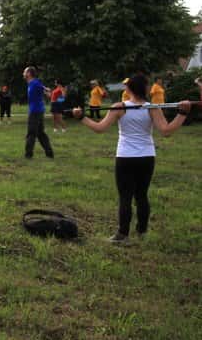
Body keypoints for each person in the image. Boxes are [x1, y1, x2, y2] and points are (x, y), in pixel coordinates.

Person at [73, 75, 191, 244]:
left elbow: (99, 128)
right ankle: (141, 232)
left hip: (126, 158)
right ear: (145, 89)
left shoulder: (120, 107)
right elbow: (166, 131)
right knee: (141, 195)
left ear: (128, 89)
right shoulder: (151, 108)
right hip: (146, 157)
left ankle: (123, 235)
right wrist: (182, 113)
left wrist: (81, 117)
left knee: (126, 197)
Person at [23, 67, 54, 159]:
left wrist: (47, 91)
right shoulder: (31, 83)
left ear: (29, 73)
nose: (23, 73)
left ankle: (28, 155)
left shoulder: (35, 83)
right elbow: (42, 88)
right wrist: (45, 91)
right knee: (40, 133)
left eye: (25, 72)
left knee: (31, 133)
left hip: (35, 112)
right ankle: (49, 153)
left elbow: (45, 90)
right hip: (37, 111)